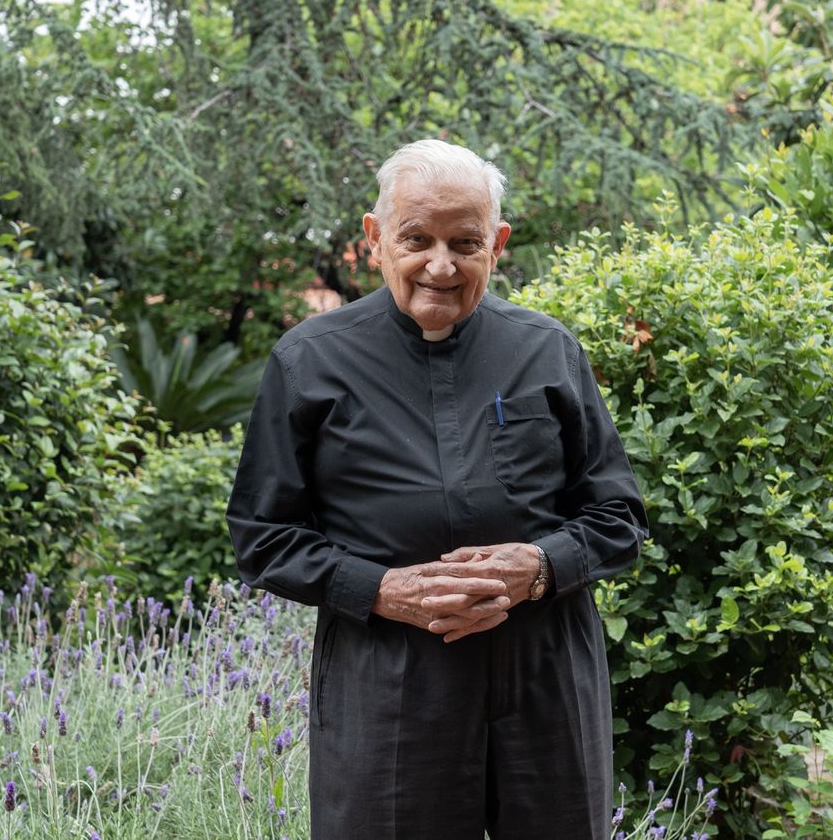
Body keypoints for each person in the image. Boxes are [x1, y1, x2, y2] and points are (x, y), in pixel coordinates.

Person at [226, 138, 648, 839]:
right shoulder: (308, 361)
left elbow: (617, 516)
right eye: (417, 238)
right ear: (374, 238)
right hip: (389, 682)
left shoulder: (547, 351)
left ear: (499, 242)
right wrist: (383, 588)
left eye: (466, 241)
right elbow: (263, 536)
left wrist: (539, 568)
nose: (441, 265)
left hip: (544, 674)